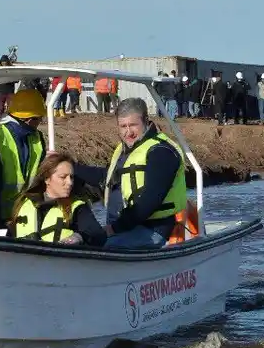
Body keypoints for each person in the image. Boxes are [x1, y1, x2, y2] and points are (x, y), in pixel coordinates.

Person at [73, 98, 187, 249]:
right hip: (124, 227)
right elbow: (107, 178)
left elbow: (149, 202)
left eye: (133, 125)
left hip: (152, 230)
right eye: (123, 126)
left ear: (146, 121)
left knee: (100, 247)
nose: (128, 132)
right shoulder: (126, 150)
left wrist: (113, 229)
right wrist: (71, 168)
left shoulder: (161, 152)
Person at [0, 88, 47, 232]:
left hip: (24, 218)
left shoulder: (36, 138)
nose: (41, 122)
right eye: (39, 118)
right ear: (29, 119)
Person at [8, 153, 106, 245]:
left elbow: (97, 235)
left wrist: (78, 237)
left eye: (71, 177)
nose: (70, 182)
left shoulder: (77, 208)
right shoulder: (24, 203)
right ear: (47, 179)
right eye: (63, 177)